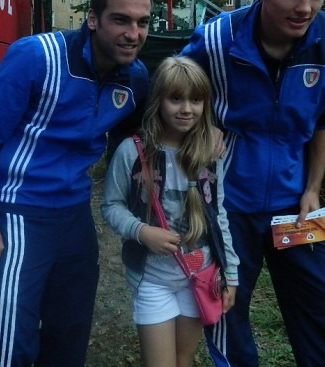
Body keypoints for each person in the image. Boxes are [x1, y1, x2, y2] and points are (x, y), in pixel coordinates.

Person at [0, 0, 153, 367]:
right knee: (11, 337)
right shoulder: (37, 58)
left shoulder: (135, 78)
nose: (133, 34)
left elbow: (141, 136)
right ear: (93, 18)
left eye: (143, 22)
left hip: (74, 214)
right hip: (18, 211)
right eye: (121, 20)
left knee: (70, 331)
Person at [181, 0, 325, 366]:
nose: (306, 8)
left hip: (296, 204)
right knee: (226, 307)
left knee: (324, 311)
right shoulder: (215, 40)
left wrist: (313, 188)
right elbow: (173, 96)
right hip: (226, 203)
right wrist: (201, 129)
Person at [101, 56, 240, 367]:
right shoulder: (132, 151)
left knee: (183, 357)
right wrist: (141, 231)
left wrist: (231, 273)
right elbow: (110, 205)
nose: (187, 109)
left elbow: (219, 215)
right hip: (153, 279)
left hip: (200, 277)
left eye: (196, 100)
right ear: (158, 100)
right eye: (176, 99)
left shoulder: (210, 153)